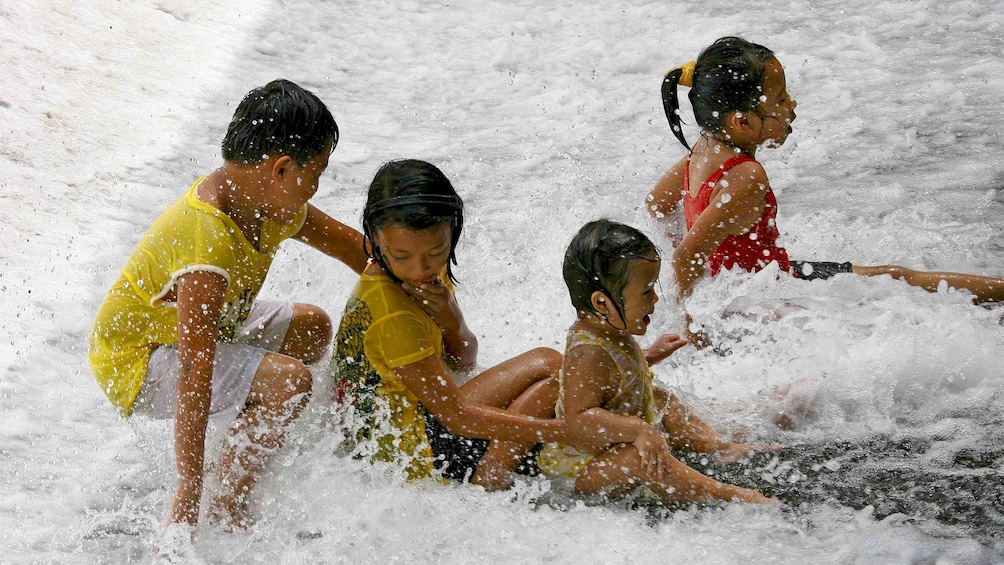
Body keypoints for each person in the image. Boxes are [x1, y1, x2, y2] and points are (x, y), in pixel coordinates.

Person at [88, 80, 369, 540]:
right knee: (291, 381)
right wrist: (187, 487)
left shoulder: (268, 203)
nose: (315, 189)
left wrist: (423, 287)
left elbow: (354, 250)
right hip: (137, 360)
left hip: (206, 329)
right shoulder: (207, 241)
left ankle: (246, 433)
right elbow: (196, 370)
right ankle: (225, 504)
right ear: (281, 169)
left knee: (313, 328)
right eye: (315, 173)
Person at [647, 37, 1004, 344]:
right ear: (742, 121)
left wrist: (709, 279)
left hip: (764, 281)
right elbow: (685, 257)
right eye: (781, 99)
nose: (792, 106)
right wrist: (695, 330)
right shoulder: (745, 175)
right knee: (897, 284)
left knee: (889, 277)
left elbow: (658, 206)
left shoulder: (702, 150)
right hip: (770, 294)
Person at [330, 158, 584, 490]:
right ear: (375, 239)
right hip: (410, 454)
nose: (420, 268)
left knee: (558, 380)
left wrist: (451, 319)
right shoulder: (392, 313)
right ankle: (492, 473)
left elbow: (463, 360)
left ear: (453, 231)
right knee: (553, 375)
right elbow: (457, 416)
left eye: (436, 252)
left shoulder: (424, 280)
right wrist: (566, 429)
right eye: (402, 256)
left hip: (419, 423)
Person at [536, 219, 772, 505]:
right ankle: (731, 496)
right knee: (637, 458)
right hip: (585, 470)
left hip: (614, 445)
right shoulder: (588, 351)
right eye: (646, 291)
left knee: (662, 399)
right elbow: (579, 417)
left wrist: (648, 357)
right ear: (602, 303)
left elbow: (613, 379)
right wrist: (638, 430)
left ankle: (718, 445)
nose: (656, 298)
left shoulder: (610, 328)